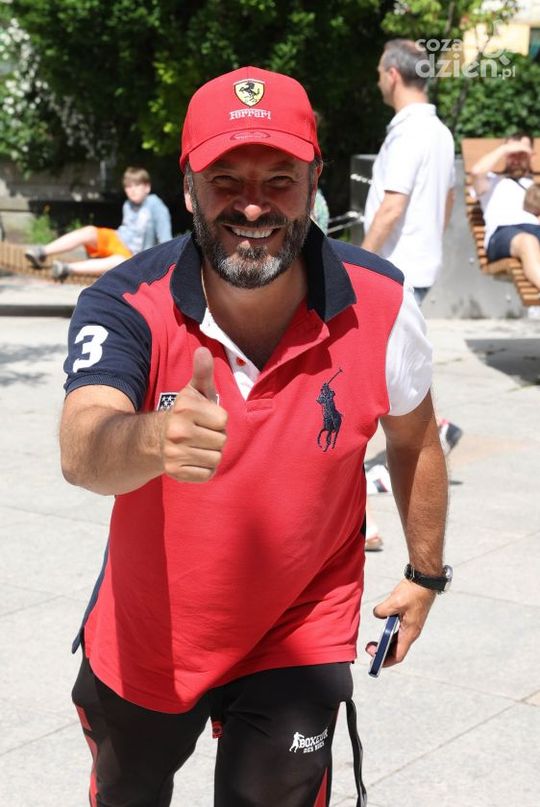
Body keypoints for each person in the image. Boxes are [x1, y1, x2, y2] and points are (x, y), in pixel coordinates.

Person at [60, 66, 451, 807]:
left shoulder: (383, 301)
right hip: (152, 632)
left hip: (300, 629)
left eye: (279, 180)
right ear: (187, 188)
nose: (251, 204)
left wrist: (425, 574)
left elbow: (416, 437)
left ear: (315, 183)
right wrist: (152, 439)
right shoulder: (126, 301)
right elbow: (83, 447)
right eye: (225, 180)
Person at [363, 38, 456, 305]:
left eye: (380, 73)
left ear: (393, 75)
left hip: (396, 271)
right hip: (419, 268)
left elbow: (392, 208)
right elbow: (448, 199)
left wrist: (360, 264)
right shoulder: (440, 131)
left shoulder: (409, 132)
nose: (378, 81)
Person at [25, 166, 172, 280]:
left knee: (120, 262)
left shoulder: (156, 206)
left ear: (147, 187)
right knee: (89, 231)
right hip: (117, 238)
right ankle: (42, 252)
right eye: (128, 186)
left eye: (136, 185)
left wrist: (163, 269)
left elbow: (166, 240)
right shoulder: (128, 204)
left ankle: (67, 269)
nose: (132, 190)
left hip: (134, 255)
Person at [470, 133, 540, 290]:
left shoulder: (534, 186)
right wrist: (505, 148)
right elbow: (476, 172)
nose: (516, 159)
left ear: (531, 155)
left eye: (521, 153)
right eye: (512, 153)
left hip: (535, 229)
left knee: (530, 239)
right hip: (503, 233)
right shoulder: (492, 181)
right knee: (527, 241)